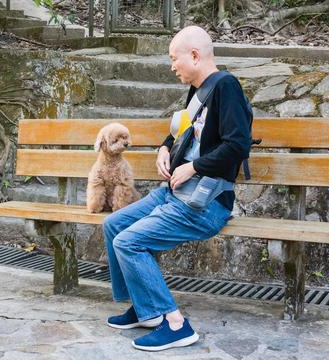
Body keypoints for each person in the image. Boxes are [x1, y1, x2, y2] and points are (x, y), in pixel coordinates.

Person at [103, 25, 252, 352]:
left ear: (195, 56)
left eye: (175, 58)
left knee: (129, 242)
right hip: (175, 193)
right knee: (114, 225)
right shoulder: (198, 91)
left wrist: (194, 167)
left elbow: (238, 145)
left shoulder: (226, 88)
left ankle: (175, 324)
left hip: (207, 202)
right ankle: (146, 309)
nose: (172, 66)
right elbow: (181, 132)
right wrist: (164, 148)